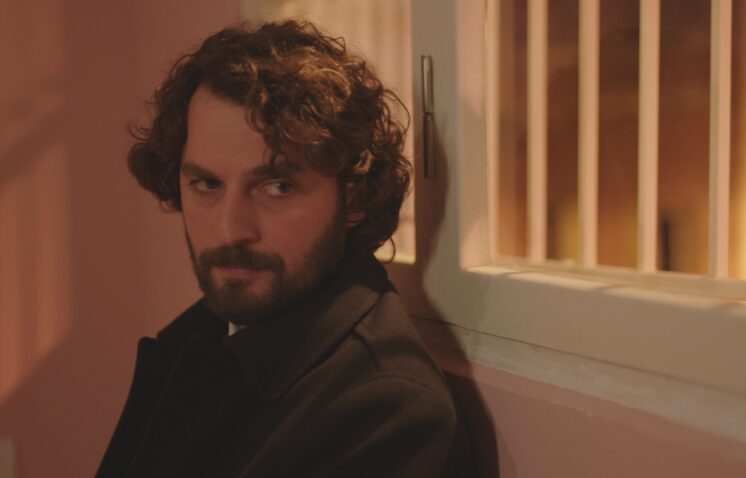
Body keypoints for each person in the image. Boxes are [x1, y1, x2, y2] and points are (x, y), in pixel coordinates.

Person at [96, 20, 474, 477]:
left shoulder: (387, 412)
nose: (230, 231)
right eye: (207, 184)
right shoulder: (206, 332)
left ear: (353, 197)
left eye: (277, 187)